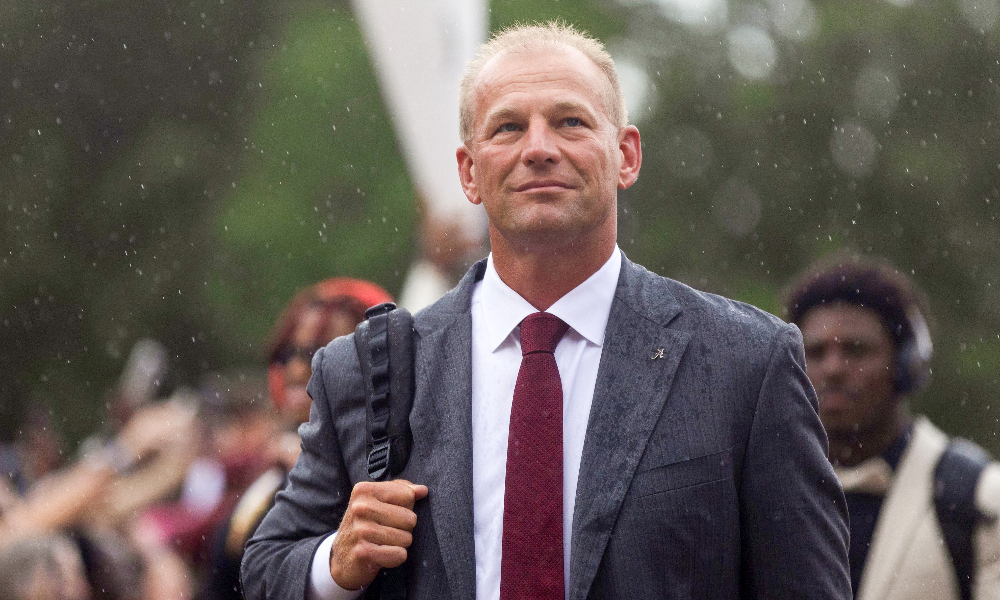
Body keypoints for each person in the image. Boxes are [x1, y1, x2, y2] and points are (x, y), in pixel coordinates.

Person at [242, 22, 851, 600]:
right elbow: (266, 567)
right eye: (507, 127)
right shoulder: (369, 371)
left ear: (626, 156)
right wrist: (336, 564)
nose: (539, 149)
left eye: (569, 121)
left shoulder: (746, 361)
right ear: (468, 172)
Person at [783, 252, 1000, 600]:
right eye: (815, 351)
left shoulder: (978, 497)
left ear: (906, 363)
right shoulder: (755, 489)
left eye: (856, 350)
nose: (834, 368)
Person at [203, 278, 392, 600]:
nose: (295, 369)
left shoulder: (386, 470)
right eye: (289, 352)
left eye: (319, 352)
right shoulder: (268, 466)